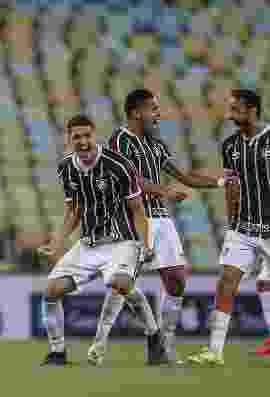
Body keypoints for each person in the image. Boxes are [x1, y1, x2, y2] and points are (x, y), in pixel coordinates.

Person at [90, 89, 231, 365]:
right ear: (135, 112)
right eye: (153, 109)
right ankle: (99, 344)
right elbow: (130, 178)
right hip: (132, 218)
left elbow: (185, 177)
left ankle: (164, 348)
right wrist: (163, 190)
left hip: (161, 220)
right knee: (122, 284)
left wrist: (220, 182)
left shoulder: (156, 144)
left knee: (177, 280)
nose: (158, 114)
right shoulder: (120, 140)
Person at [40, 114, 165, 366]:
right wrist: (57, 241)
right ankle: (57, 352)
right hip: (89, 244)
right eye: (77, 137)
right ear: (69, 138)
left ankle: (154, 335)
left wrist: (147, 244)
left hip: (122, 242)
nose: (83, 141)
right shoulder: (65, 167)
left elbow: (137, 209)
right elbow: (74, 209)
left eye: (87, 135)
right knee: (51, 291)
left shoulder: (118, 164)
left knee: (119, 282)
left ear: (94, 134)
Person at [188, 89, 269, 366]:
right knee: (226, 282)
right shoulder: (230, 145)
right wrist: (231, 218)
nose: (230, 114)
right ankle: (215, 351)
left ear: (253, 110)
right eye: (230, 108)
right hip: (243, 228)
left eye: (236, 109)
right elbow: (232, 185)